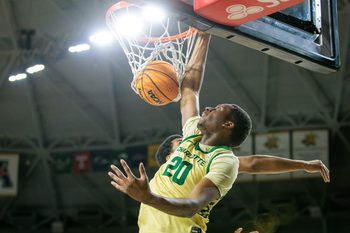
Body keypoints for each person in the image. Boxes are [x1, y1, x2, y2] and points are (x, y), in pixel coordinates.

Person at [108, 32, 329, 233]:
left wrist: (149, 197)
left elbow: (192, 206)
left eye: (217, 110)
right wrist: (204, 34)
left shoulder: (223, 161)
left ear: (228, 125)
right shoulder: (193, 133)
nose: (207, 108)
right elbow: (190, 90)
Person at [155, 134, 330, 182]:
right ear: (170, 158)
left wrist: (304, 164)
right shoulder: (160, 182)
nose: (187, 143)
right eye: (181, 142)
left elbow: (254, 164)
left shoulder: (205, 163)